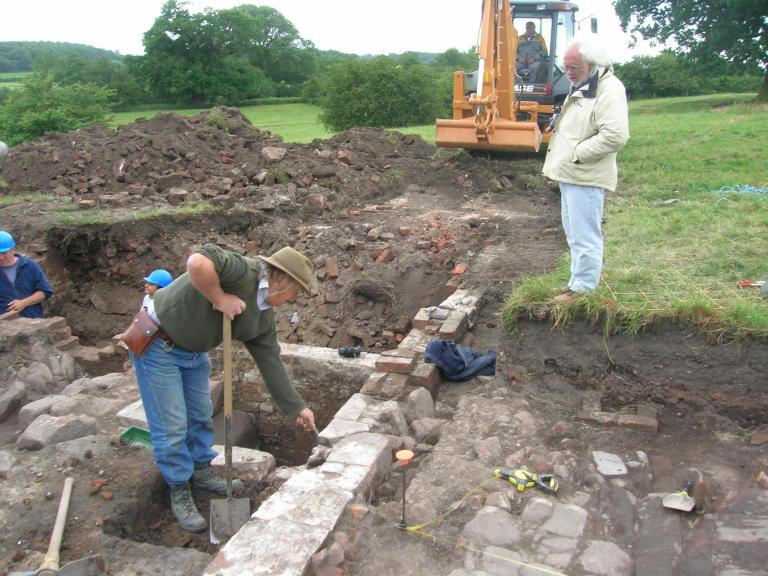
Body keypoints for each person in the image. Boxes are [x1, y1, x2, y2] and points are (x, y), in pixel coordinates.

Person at [130, 244, 317, 533]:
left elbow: (271, 362)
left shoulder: (263, 318)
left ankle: (201, 472)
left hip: (193, 353)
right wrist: (219, 298)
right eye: (296, 291)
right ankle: (179, 488)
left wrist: (296, 406)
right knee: (172, 425)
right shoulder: (243, 272)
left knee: (200, 416)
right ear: (284, 280)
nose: (294, 299)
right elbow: (197, 262)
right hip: (159, 344)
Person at [542, 38, 630, 303]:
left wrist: (578, 154)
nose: (569, 72)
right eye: (566, 66)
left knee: (585, 235)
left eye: (574, 66)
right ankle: (576, 283)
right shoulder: (583, 85)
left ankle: (583, 291)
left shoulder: (608, 90)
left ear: (592, 63)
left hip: (585, 175)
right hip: (571, 174)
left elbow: (615, 135)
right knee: (573, 232)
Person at [0, 230, 53, 318]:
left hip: (32, 321)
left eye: (4, 253)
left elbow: (44, 291)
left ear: (13, 249)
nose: (0, 257)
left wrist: (24, 302)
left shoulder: (29, 266)